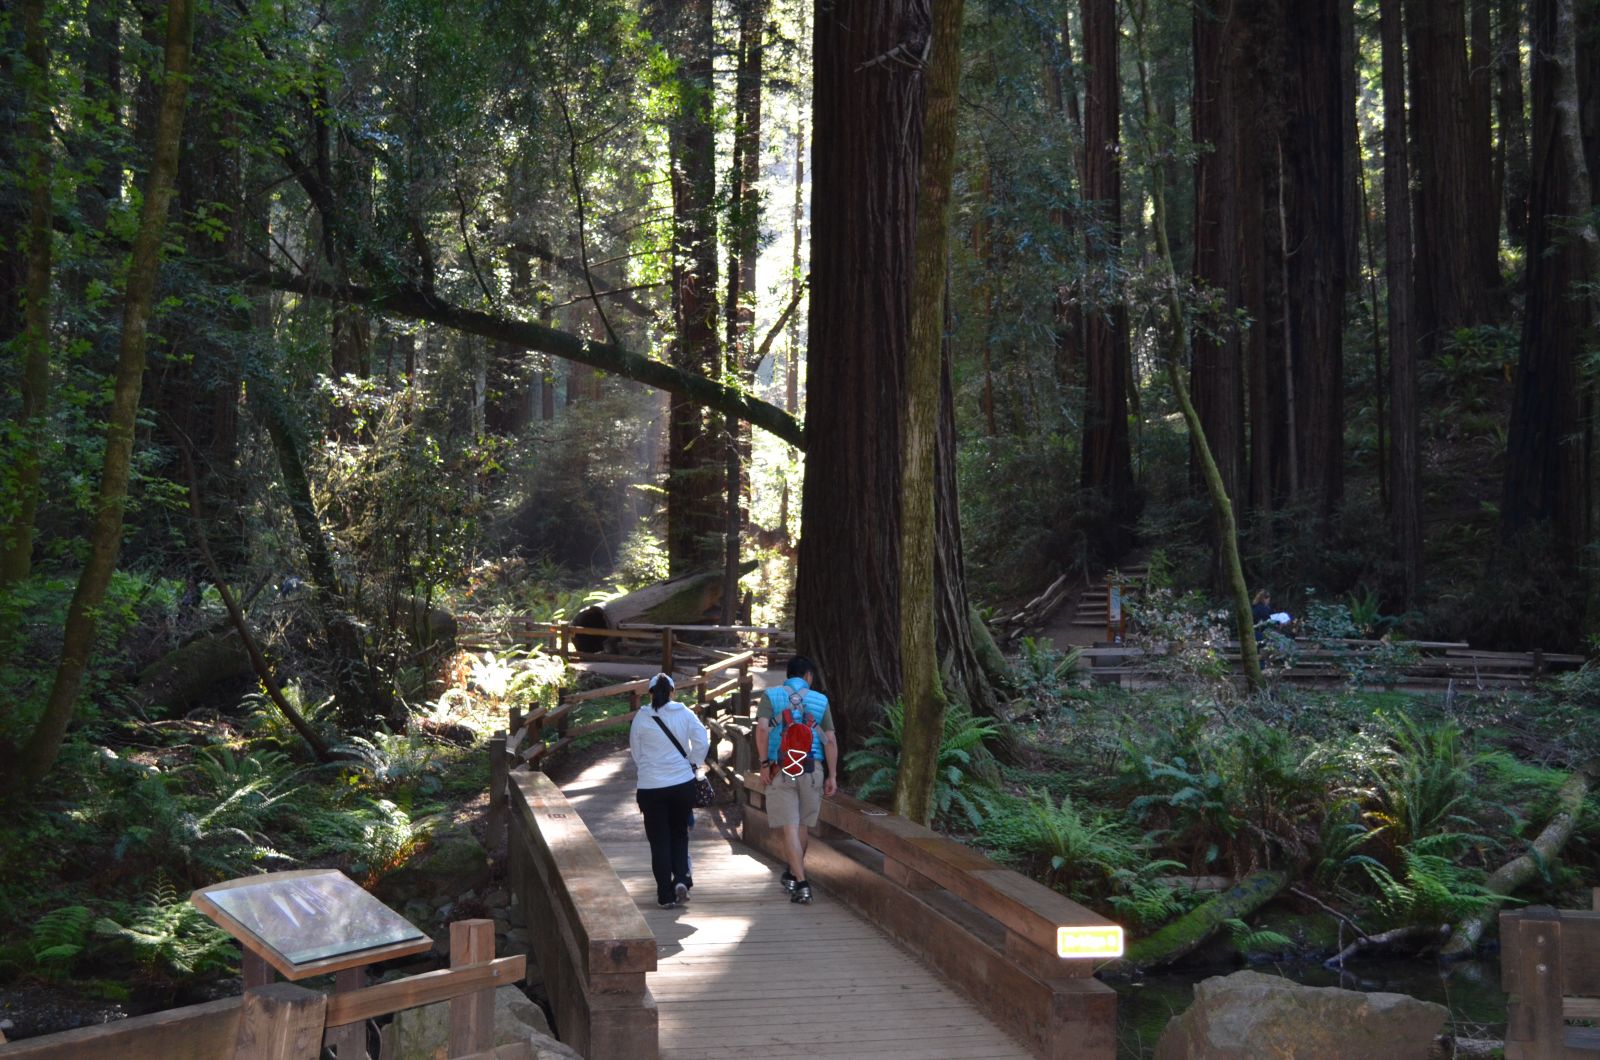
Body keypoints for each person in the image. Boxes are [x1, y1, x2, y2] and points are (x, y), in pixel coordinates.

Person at [755, 656, 838, 905]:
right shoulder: (820, 700)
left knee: (789, 827)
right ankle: (794, 875)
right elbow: (830, 740)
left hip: (781, 768)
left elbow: (761, 729)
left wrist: (763, 764)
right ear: (808, 676)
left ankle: (799, 881)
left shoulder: (771, 696)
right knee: (802, 827)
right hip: (812, 769)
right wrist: (832, 775)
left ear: (788, 675)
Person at [628, 672, 709, 908]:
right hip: (681, 784)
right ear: (673, 691)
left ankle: (665, 895)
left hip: (651, 787)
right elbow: (702, 740)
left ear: (650, 693)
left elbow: (636, 752)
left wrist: (648, 768)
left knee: (659, 841)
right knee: (679, 833)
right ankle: (682, 878)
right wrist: (693, 762)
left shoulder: (641, 718)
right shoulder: (685, 713)